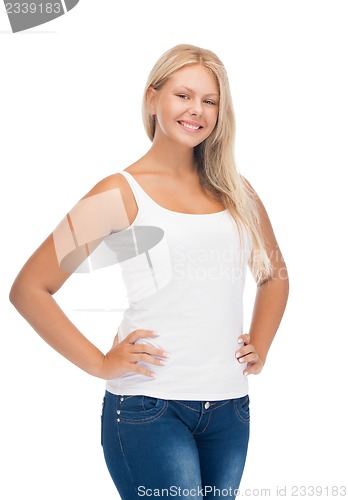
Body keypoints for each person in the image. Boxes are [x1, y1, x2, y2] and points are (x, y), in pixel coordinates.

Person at [9, 43, 289, 499]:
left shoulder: (238, 192)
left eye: (210, 100)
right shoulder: (120, 191)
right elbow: (30, 288)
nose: (196, 109)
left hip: (229, 410)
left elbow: (274, 276)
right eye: (183, 95)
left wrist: (261, 343)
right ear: (152, 99)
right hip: (149, 409)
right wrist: (101, 363)